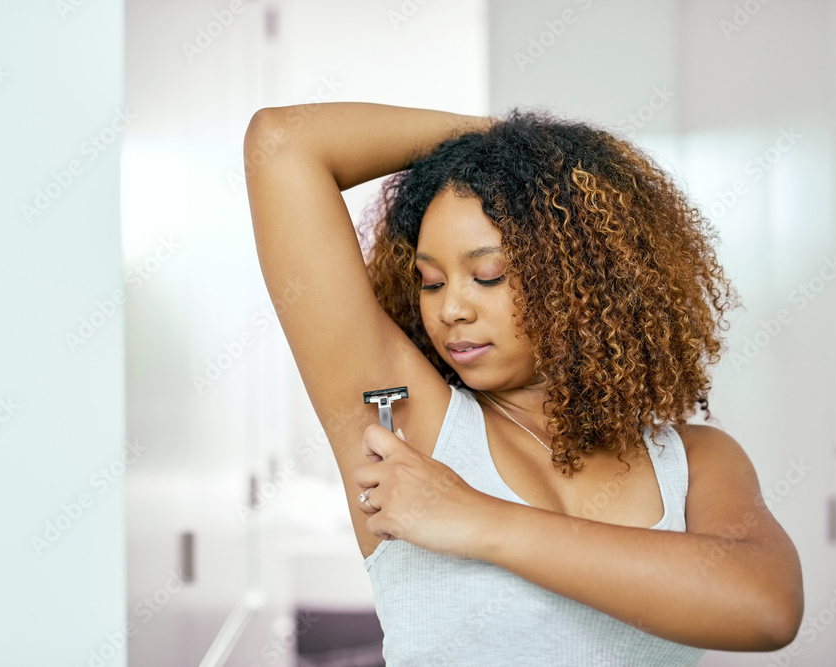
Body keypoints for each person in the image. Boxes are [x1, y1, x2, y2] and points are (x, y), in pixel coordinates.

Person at [243, 102, 803, 665]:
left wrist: (475, 517)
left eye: (488, 276)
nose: (452, 308)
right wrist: (510, 145)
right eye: (431, 281)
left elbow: (766, 609)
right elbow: (284, 143)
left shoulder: (697, 463)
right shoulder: (412, 425)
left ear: (582, 276)